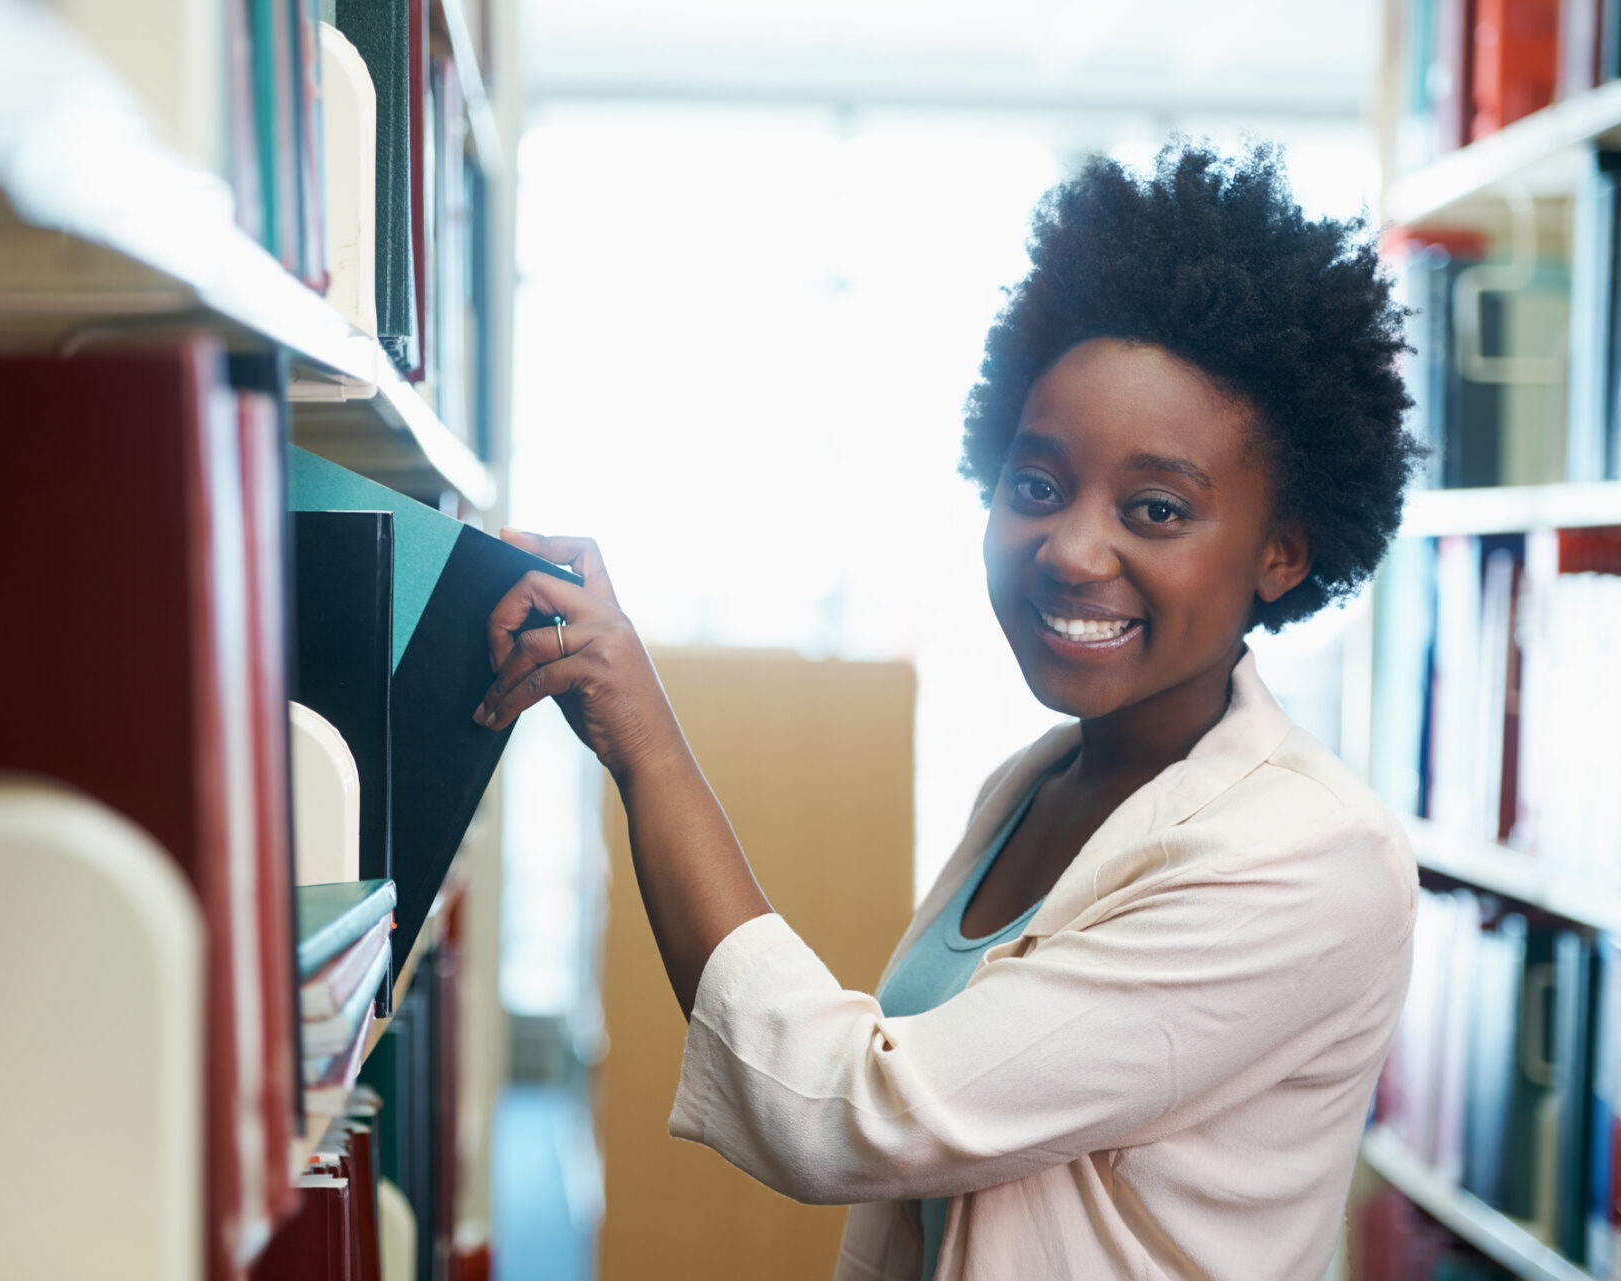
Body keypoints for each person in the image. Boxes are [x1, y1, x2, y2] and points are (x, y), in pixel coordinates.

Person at [475, 141, 1424, 1281]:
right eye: (1036, 485)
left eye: (1157, 508)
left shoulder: (1311, 859)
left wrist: (648, 745)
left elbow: (855, 1109)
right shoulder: (1036, 782)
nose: (1073, 549)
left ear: (1283, 551)